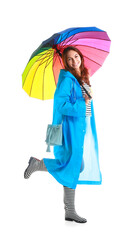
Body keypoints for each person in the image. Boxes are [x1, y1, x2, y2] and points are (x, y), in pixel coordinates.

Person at [24, 46, 102, 223]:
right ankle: (39, 166)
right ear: (65, 63)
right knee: (73, 165)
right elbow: (61, 106)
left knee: (75, 165)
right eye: (69, 59)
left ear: (81, 57)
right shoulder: (66, 79)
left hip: (77, 128)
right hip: (68, 130)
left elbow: (84, 105)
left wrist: (87, 97)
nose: (74, 61)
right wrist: (84, 102)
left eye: (76, 56)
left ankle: (69, 210)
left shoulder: (80, 78)